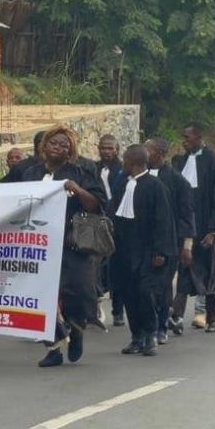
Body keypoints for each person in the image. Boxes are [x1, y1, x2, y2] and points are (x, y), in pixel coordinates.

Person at [22, 126, 106, 367]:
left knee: (76, 294)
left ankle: (77, 328)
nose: (59, 148)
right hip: (37, 244)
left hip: (72, 244)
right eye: (54, 143)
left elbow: (97, 205)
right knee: (41, 297)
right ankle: (54, 347)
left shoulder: (82, 172)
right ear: (44, 146)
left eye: (64, 145)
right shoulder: (31, 173)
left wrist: (78, 190)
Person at [110, 145, 177, 356]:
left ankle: (151, 334)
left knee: (145, 293)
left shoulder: (156, 186)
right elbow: (113, 213)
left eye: (125, 160)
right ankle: (136, 336)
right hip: (124, 250)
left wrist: (160, 252)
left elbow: (164, 221)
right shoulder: (123, 184)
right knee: (129, 293)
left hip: (148, 250)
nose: (123, 163)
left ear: (132, 162)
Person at [170, 123, 215, 333]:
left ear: (198, 138)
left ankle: (213, 316)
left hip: (207, 228)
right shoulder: (180, 161)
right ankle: (176, 316)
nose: (184, 142)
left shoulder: (214, 162)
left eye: (187, 138)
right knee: (184, 269)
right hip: (186, 227)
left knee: (210, 272)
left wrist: (214, 231)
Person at [144, 138, 195, 344]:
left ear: (160, 153)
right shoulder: (140, 176)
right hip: (143, 242)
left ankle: (162, 325)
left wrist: (187, 245)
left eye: (149, 149)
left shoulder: (177, 180)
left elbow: (187, 214)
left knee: (163, 287)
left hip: (168, 242)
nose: (145, 152)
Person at [95, 134, 125, 326]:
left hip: (118, 223)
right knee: (97, 266)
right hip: (97, 223)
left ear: (117, 149)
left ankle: (118, 310)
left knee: (117, 268)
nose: (106, 152)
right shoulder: (93, 168)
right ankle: (96, 304)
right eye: (103, 148)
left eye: (110, 148)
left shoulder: (123, 170)